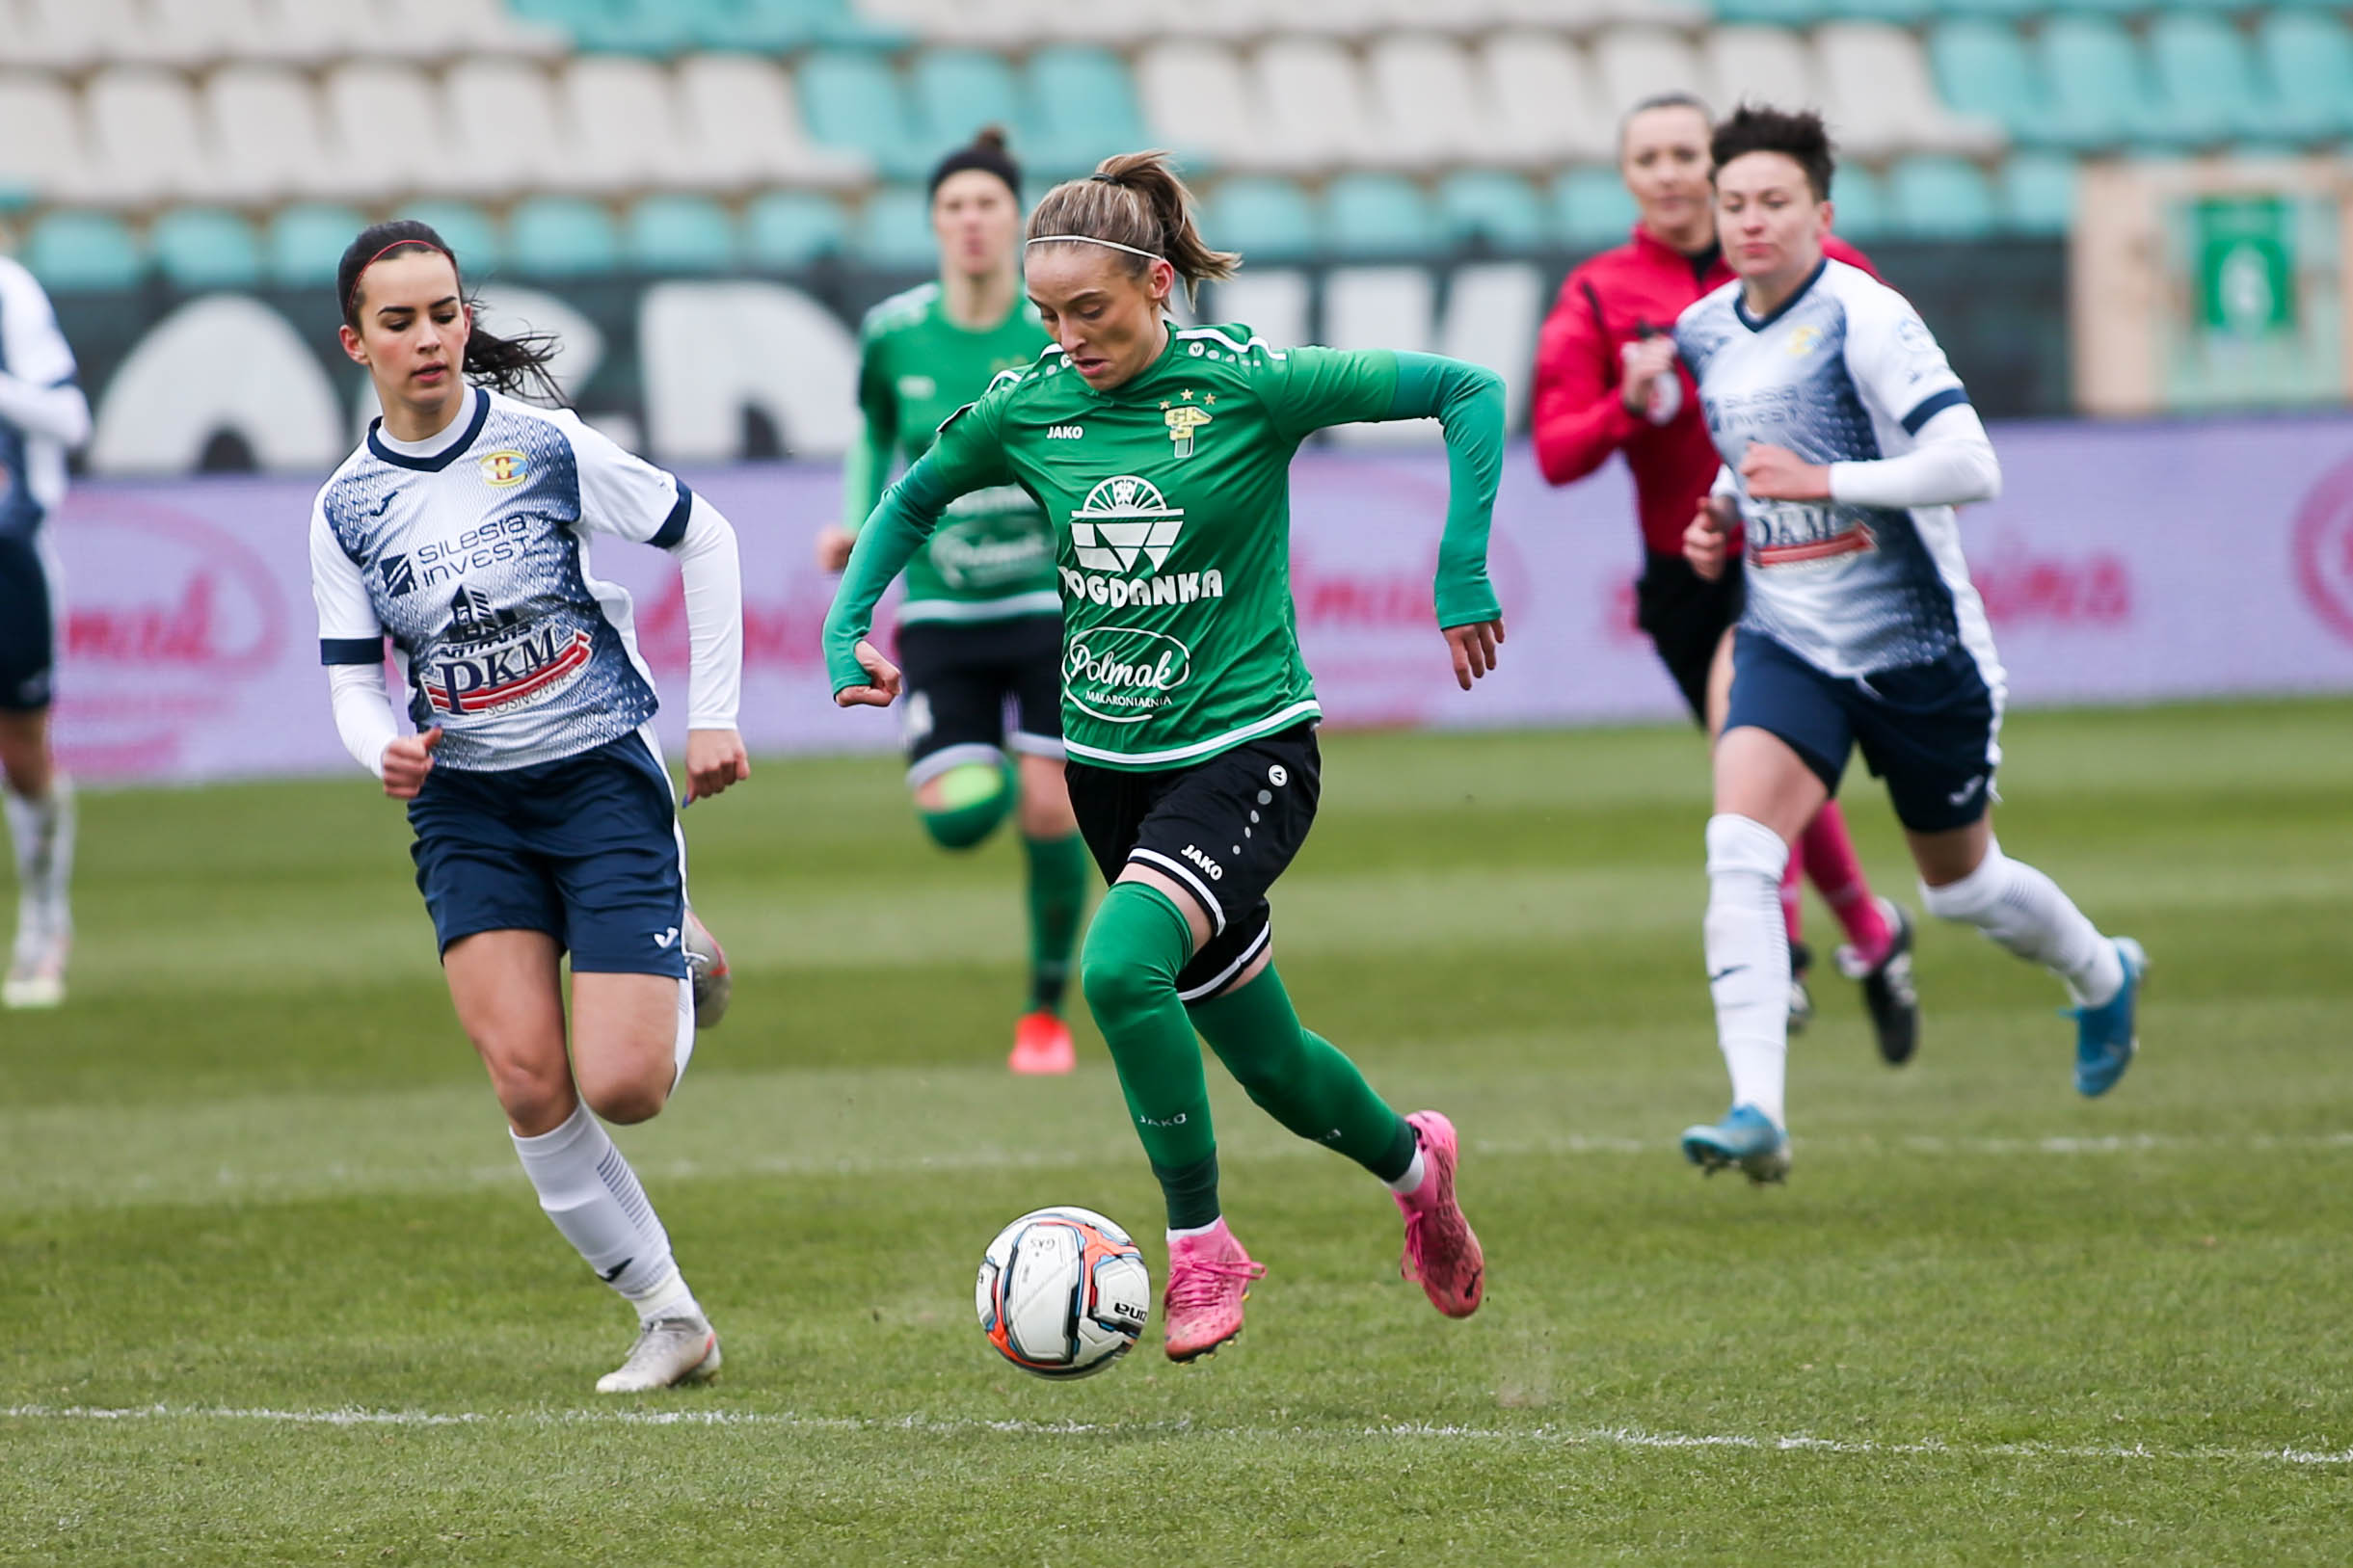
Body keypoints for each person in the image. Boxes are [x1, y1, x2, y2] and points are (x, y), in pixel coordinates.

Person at [822, 152, 1499, 1362]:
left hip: (1250, 750)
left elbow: (1464, 388)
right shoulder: (1028, 405)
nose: (1068, 336)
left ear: (1155, 281)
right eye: (1048, 315)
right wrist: (847, 620)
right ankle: (1415, 1169)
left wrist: (1457, 571)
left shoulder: (1248, 384)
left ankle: (1201, 1246)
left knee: (1118, 969)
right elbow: (914, 496)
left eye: (1091, 309)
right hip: (1106, 767)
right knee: (1275, 1065)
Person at [307, 221, 751, 1390]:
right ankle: (670, 1316)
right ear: (355, 342)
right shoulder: (346, 508)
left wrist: (713, 714)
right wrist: (380, 750)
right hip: (465, 808)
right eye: (397, 322)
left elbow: (703, 535)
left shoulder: (542, 444)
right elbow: (353, 678)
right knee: (525, 1077)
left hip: (599, 773)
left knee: (625, 1086)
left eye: (443, 312)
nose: (429, 338)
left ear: (465, 317)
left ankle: (678, 958)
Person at [1671, 108, 2144, 1183]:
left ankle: (2099, 973)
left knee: (1960, 887)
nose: (1750, 221)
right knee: (1738, 845)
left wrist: (1823, 484)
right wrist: (1721, 511)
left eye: (1773, 203)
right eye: (1733, 204)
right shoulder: (1704, 329)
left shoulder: (1864, 316)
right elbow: (1749, 461)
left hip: (1918, 649)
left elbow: (1969, 464)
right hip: (1788, 638)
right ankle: (1755, 1110)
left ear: (1819, 214)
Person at [1533, 92, 1917, 1062]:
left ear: (1720, 168)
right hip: (1684, 569)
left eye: (1684, 153)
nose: (1667, 172)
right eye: (1646, 156)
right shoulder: (1597, 292)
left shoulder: (1812, 268)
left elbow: (1899, 378)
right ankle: (1870, 935)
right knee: (1772, 760)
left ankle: (1781, 953)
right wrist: (1626, 403)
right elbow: (1555, 450)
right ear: (1625, 175)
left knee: (1752, 740)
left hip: (1799, 547)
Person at [815, 128, 1089, 1076]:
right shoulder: (894, 332)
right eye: (953, 207)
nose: (970, 222)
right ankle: (1016, 774)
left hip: (1054, 606)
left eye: (987, 205)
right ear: (933, 222)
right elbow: (873, 431)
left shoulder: (1055, 324)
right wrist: (854, 521)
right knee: (956, 816)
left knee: (1051, 810)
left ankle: (1043, 1015)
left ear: (1016, 222)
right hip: (940, 609)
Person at [0, 248, 93, 1010]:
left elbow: (68, 416)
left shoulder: (10, 293)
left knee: (22, 747)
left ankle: (43, 920)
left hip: (9, 555)